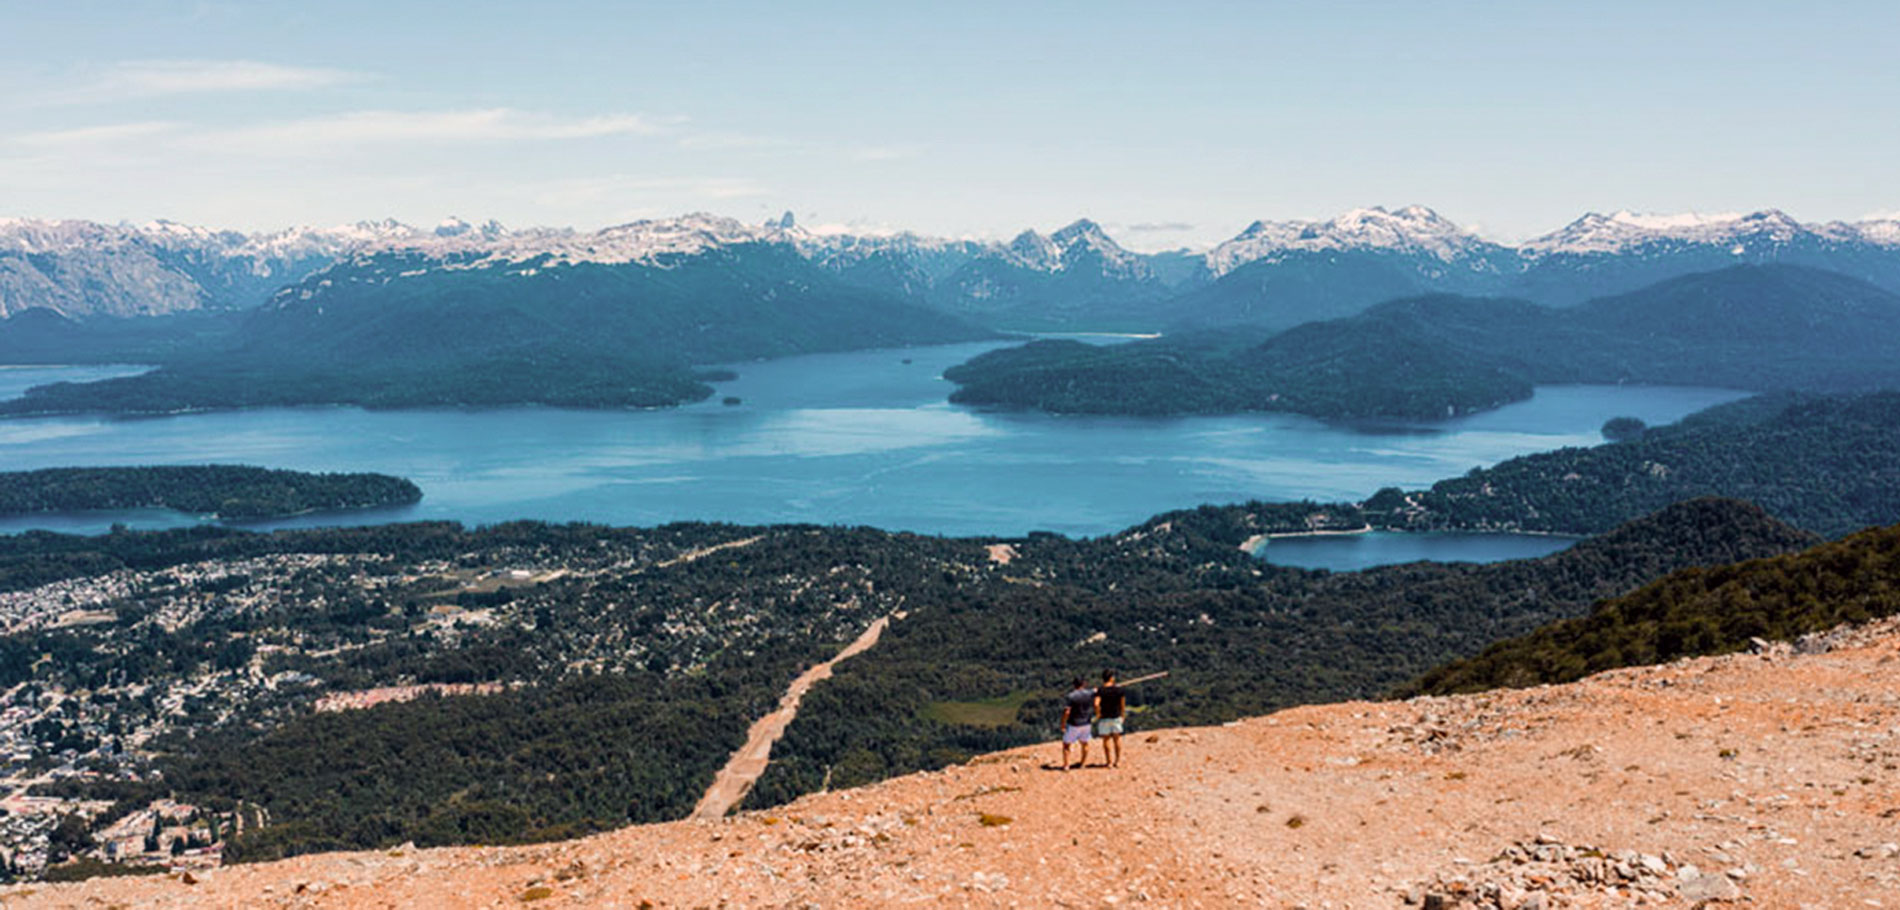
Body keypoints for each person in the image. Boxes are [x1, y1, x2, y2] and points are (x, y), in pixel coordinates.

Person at [1059, 676, 1095, 769]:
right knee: (1085, 743)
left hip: (1074, 723)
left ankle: (1066, 765)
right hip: (1086, 722)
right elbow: (1096, 690)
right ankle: (1083, 764)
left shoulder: (1071, 696)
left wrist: (1063, 723)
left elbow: (1067, 711)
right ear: (1084, 684)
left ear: (1074, 685)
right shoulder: (1089, 693)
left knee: (1066, 744)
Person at [1094, 669, 1127, 768]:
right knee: (1117, 739)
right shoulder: (1119, 690)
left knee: (1106, 740)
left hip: (1104, 717)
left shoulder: (1100, 690)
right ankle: (1118, 761)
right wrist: (1122, 715)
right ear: (1111, 678)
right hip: (1116, 716)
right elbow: (1122, 705)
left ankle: (1109, 762)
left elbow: (1096, 704)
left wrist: (1098, 714)